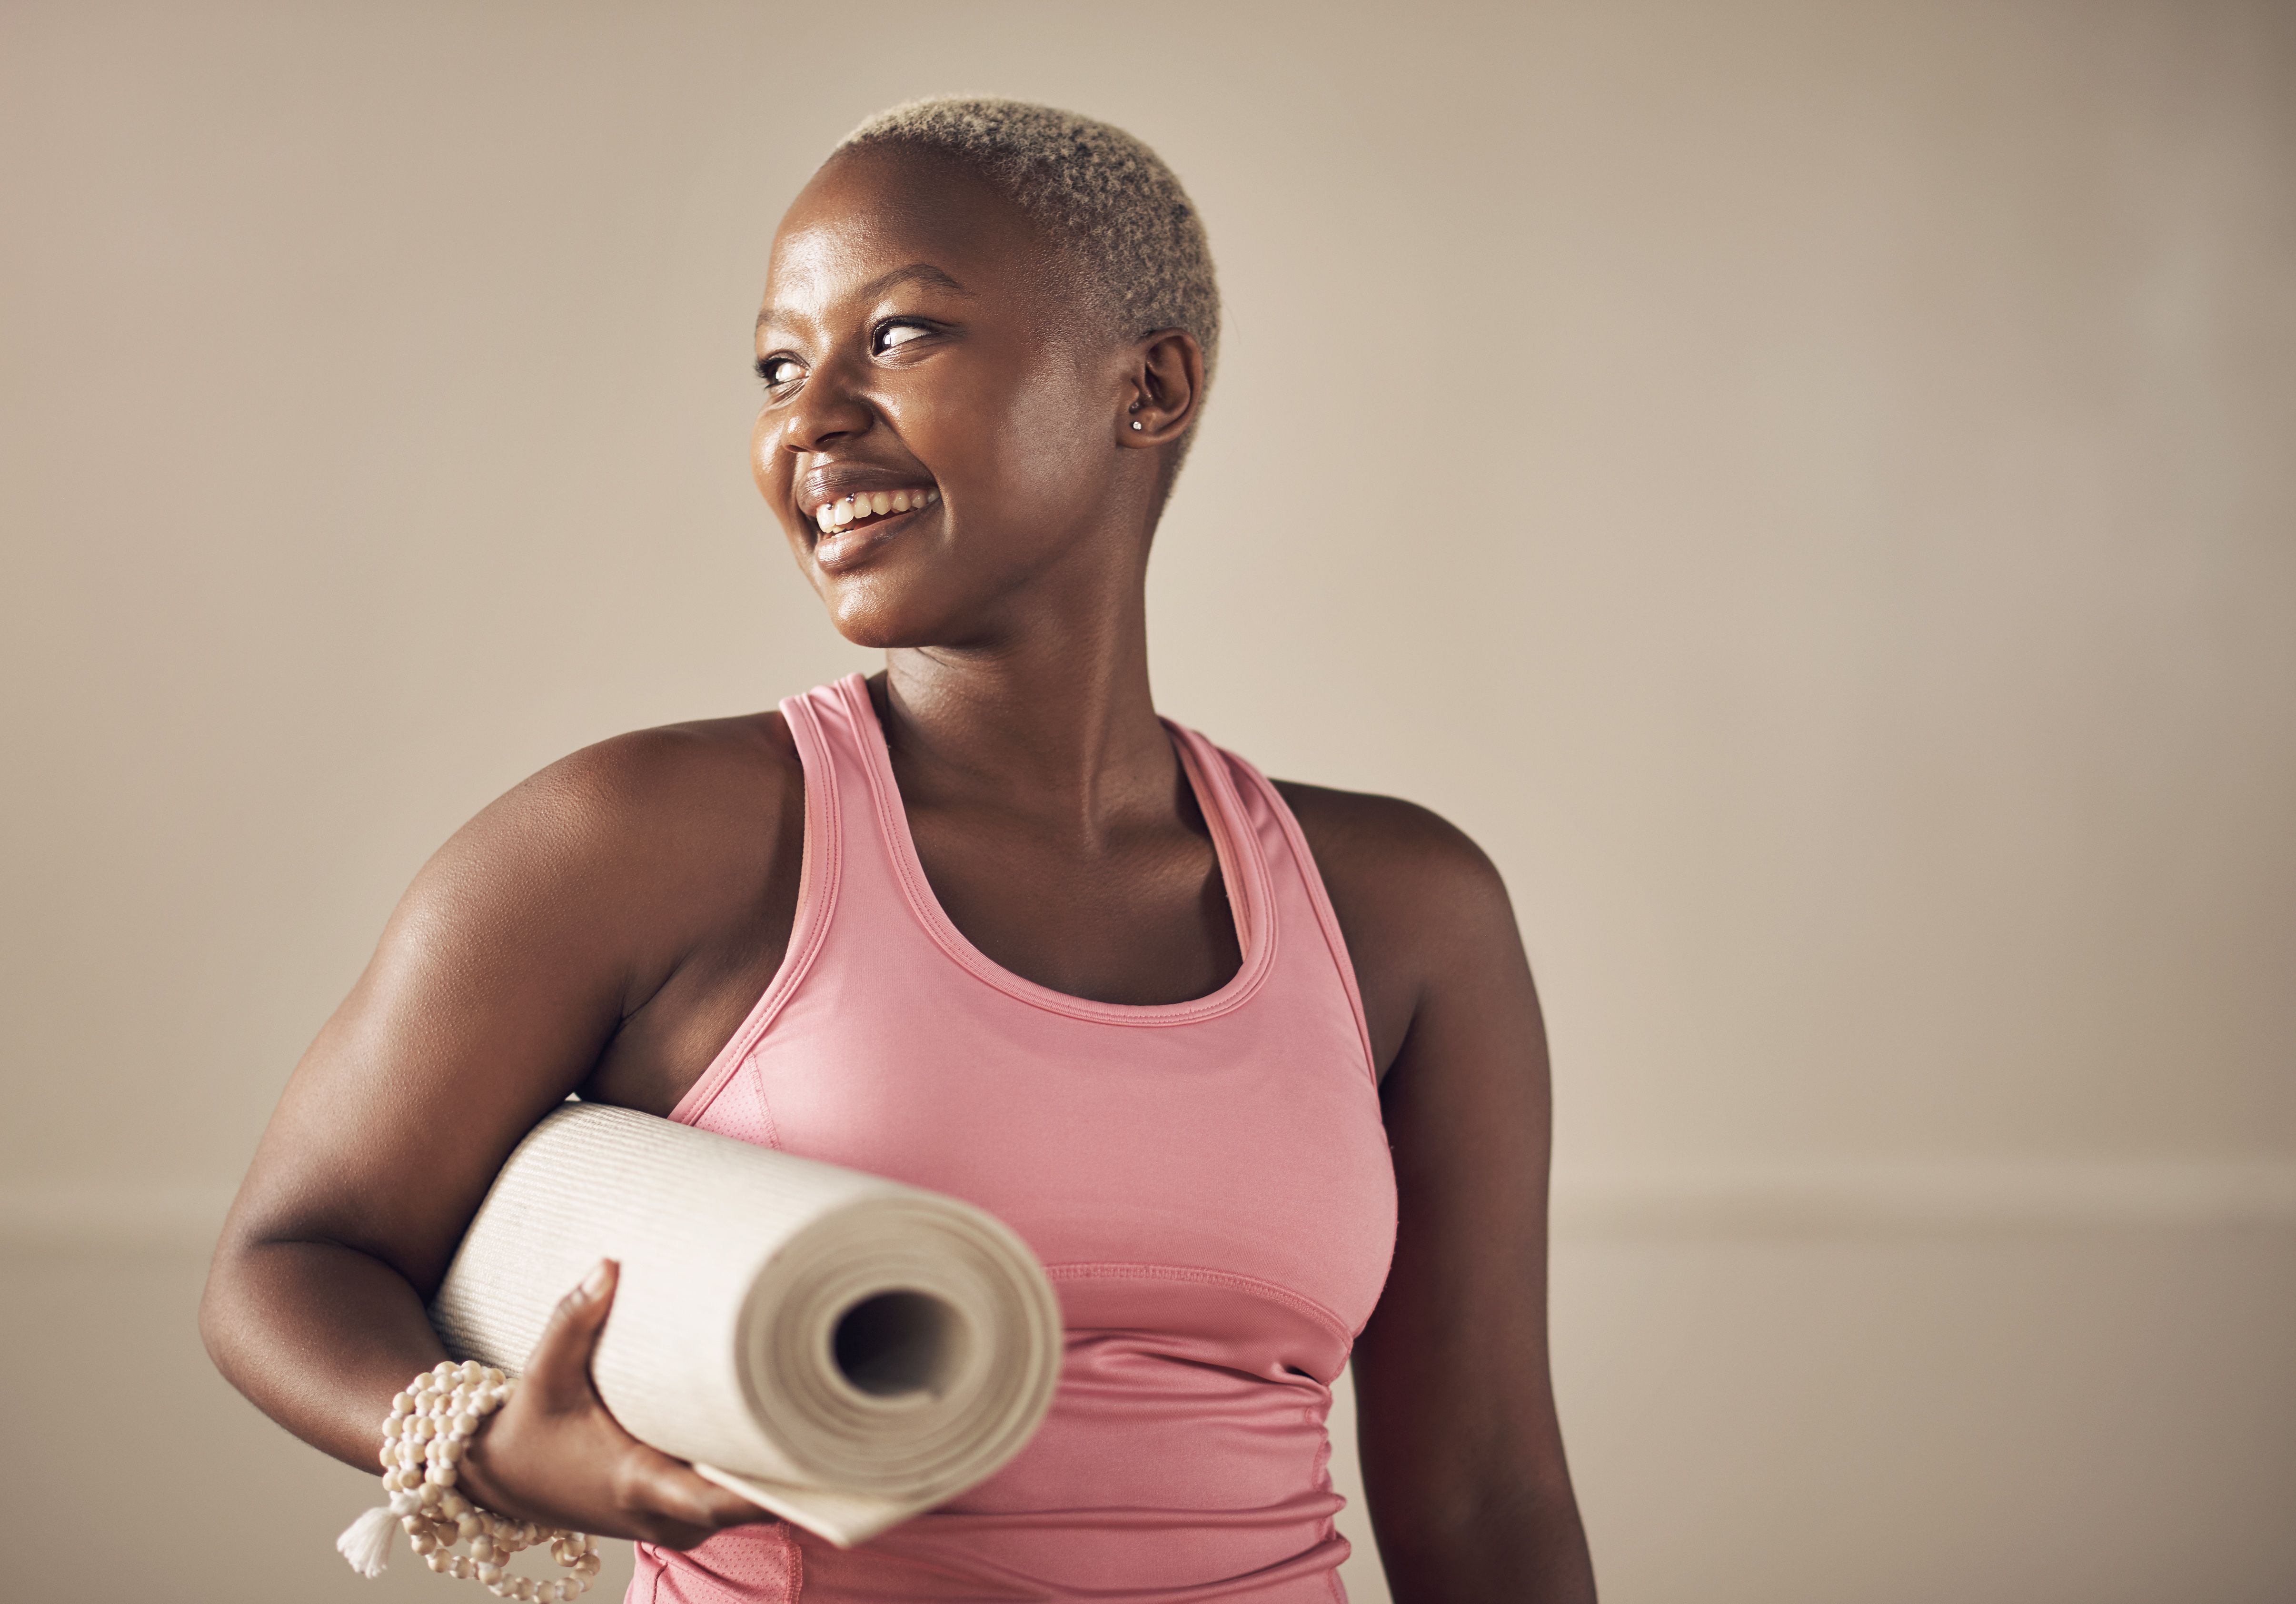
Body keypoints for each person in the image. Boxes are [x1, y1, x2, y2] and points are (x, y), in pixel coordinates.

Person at [200, 97, 1596, 1604]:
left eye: (902, 336)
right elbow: (287, 1259)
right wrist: (481, 1438)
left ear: (1151, 387)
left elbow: (1487, 1493)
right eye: (779, 366)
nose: (807, 423)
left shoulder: (1405, 911)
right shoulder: (644, 842)